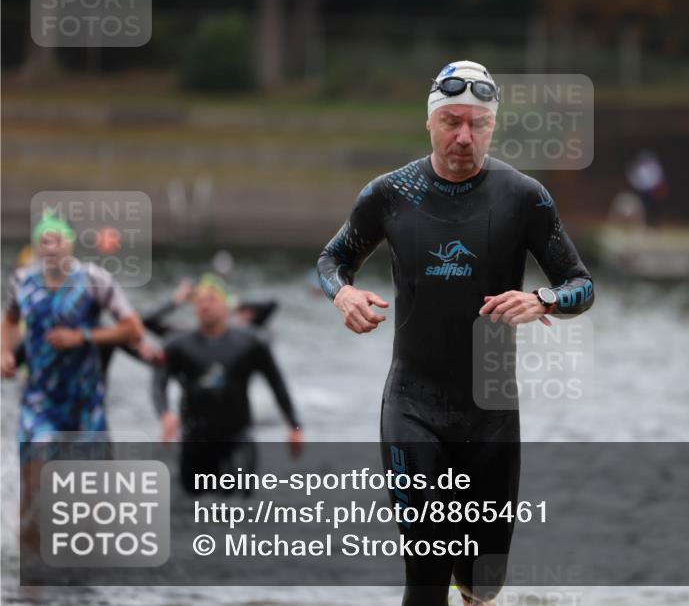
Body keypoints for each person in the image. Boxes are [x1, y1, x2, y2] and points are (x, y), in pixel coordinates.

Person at [317, 60, 595, 605]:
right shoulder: (390, 193)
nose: (464, 136)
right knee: (426, 572)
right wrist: (343, 294)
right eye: (451, 121)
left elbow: (581, 286)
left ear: (492, 126)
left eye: (477, 124)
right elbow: (332, 259)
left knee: (481, 582)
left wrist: (542, 299)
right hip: (412, 405)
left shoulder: (524, 197)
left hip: (490, 414)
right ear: (430, 122)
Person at [1, 210, 143, 545]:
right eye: (44, 241)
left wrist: (83, 336)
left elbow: (132, 329)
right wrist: (5, 353)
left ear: (70, 244)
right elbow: (9, 320)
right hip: (39, 401)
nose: (50, 247)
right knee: (34, 487)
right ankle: (30, 565)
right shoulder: (22, 281)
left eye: (57, 240)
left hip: (85, 403)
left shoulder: (95, 280)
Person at [153, 274, 302, 494]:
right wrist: (165, 413)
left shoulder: (250, 343)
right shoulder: (178, 345)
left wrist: (294, 426)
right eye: (199, 300)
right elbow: (158, 381)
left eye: (211, 299)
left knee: (239, 506)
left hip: (237, 439)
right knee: (190, 507)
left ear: (227, 304)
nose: (205, 305)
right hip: (194, 441)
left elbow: (276, 383)